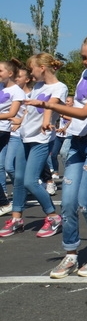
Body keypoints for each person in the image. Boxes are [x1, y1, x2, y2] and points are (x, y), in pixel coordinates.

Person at [29, 30, 87, 278]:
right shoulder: (85, 75)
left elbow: (85, 112)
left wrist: (48, 105)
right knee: (67, 202)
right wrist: (60, 118)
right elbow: (75, 109)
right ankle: (70, 255)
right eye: (84, 58)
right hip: (78, 142)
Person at [0, 54, 65, 240]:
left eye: (32, 68)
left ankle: (53, 216)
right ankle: (16, 219)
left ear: (42, 68)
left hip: (40, 140)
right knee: (19, 180)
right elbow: (29, 109)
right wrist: (20, 120)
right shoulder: (37, 86)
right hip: (24, 137)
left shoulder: (59, 87)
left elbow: (50, 107)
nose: (30, 72)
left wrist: (46, 122)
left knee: (30, 181)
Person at [0, 59, 25, 215]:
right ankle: (3, 201)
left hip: (3, 129)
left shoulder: (17, 91)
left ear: (10, 73)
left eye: (0, 71)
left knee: (8, 166)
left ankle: (15, 194)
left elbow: (12, 113)